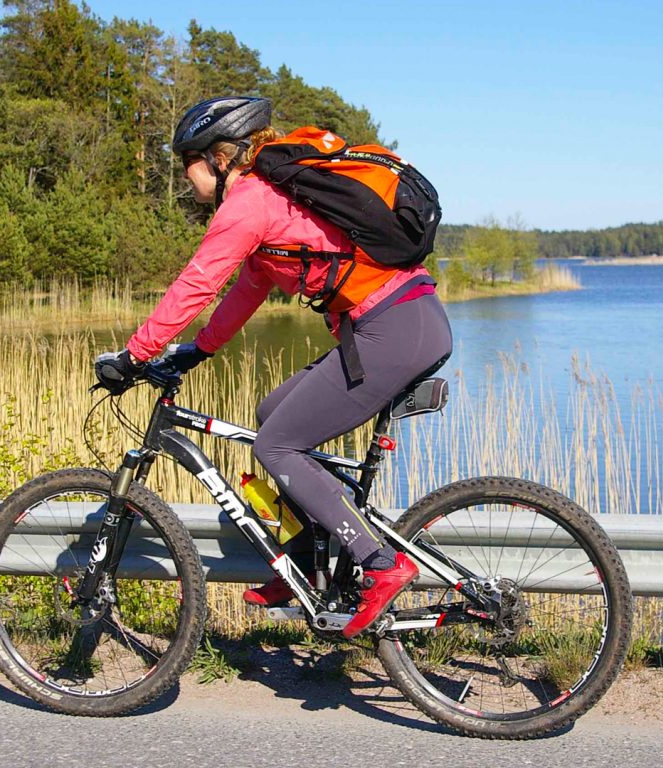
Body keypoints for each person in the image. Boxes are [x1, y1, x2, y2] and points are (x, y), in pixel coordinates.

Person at [94, 96, 453, 638]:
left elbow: (199, 281)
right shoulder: (273, 204)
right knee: (272, 413)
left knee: (276, 446)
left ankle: (380, 562)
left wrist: (136, 354)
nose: (184, 178)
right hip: (397, 322)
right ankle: (308, 559)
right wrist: (201, 348)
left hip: (394, 329)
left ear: (217, 157)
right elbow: (246, 288)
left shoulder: (250, 202)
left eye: (185, 163)